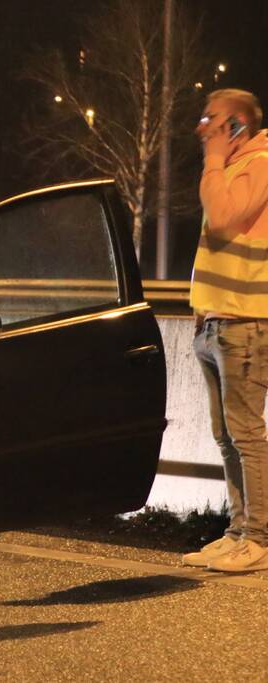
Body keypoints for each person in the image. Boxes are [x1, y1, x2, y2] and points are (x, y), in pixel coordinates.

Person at [185, 88, 268, 572]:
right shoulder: (231, 168)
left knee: (246, 435)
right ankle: (237, 531)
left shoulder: (259, 163)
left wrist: (214, 160)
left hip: (245, 322)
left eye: (210, 121)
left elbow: (222, 218)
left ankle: (258, 537)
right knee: (225, 436)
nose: (202, 129)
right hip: (215, 321)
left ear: (237, 125)